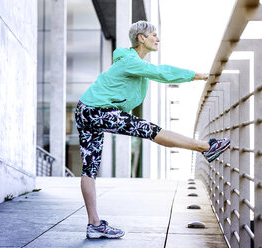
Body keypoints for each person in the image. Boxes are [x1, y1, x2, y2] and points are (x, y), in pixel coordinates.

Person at [74, 20, 230, 239]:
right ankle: (205, 147)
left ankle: (94, 224)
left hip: (86, 109)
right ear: (141, 38)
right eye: (154, 35)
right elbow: (161, 73)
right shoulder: (131, 60)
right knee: (149, 130)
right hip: (97, 110)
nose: (158, 39)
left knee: (90, 168)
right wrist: (197, 75)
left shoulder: (131, 60)